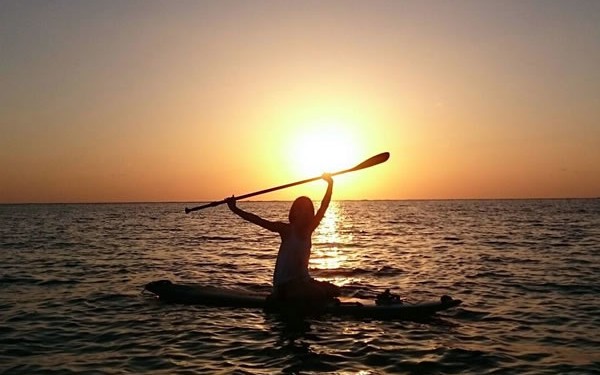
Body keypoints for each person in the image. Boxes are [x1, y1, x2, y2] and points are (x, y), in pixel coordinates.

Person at [225, 174, 341, 305]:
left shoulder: (310, 229)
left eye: (308, 210)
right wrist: (235, 209)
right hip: (285, 285)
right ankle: (279, 297)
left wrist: (330, 184)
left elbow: (324, 206)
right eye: (301, 210)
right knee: (318, 293)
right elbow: (258, 220)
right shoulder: (286, 230)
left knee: (335, 290)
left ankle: (314, 298)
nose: (305, 213)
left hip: (304, 281)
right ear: (294, 213)